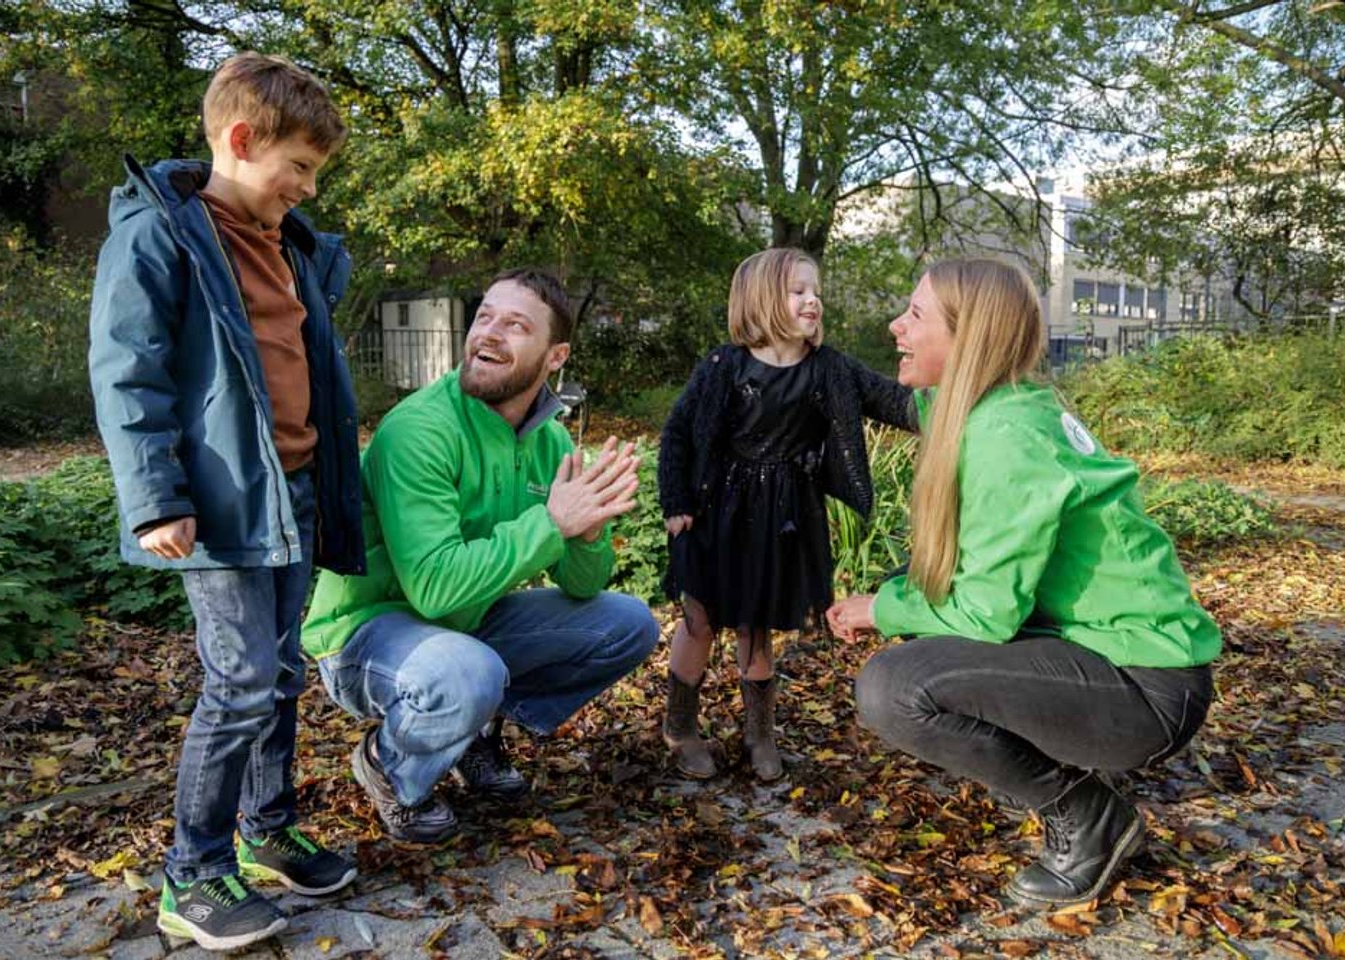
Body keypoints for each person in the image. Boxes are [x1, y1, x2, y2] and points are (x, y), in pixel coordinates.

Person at [827, 258, 1220, 909]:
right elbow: (908, 403)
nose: (897, 325)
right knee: (913, 595)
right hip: (1120, 659)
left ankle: (1092, 819)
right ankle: (1037, 770)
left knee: (893, 686)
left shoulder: (1005, 436)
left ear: (970, 335)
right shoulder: (1009, 405)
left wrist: (882, 607)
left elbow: (983, 613)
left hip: (1147, 689)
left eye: (916, 315)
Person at [88, 53, 366, 950]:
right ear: (242, 140)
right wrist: (154, 500)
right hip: (217, 504)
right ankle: (193, 874)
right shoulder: (161, 235)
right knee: (241, 679)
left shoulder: (293, 245)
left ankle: (266, 829)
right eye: (301, 168)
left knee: (280, 674)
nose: (307, 188)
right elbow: (130, 375)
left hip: (294, 493)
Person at [302, 268, 659, 843]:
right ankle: (392, 765)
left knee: (627, 624)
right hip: (364, 636)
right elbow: (434, 588)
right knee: (469, 671)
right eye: (485, 316)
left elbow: (581, 586)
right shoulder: (419, 431)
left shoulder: (551, 441)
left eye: (515, 325)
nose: (488, 334)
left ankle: (471, 733)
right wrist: (550, 522)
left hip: (464, 627)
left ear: (554, 355)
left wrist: (588, 533)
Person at [656, 247, 916, 782]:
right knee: (700, 618)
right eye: (798, 291)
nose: (812, 300)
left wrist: (961, 403)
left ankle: (759, 732)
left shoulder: (829, 368)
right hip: (717, 510)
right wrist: (676, 502)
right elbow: (679, 432)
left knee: (757, 622)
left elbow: (896, 402)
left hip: (784, 517)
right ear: (760, 301)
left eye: (815, 291)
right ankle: (680, 726)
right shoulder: (723, 368)